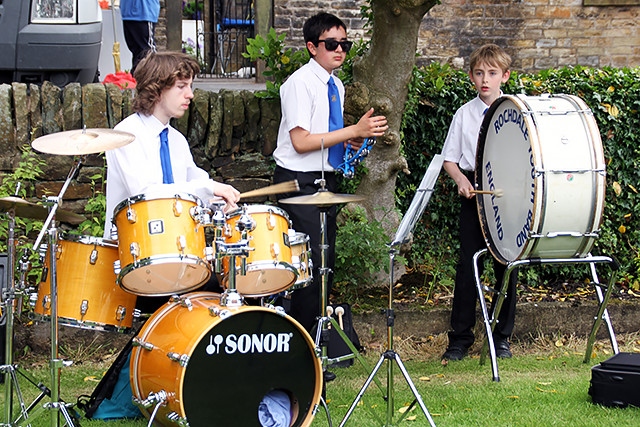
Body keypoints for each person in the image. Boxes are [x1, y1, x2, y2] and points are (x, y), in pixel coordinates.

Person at [272, 12, 388, 337]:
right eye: (332, 43)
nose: (340, 50)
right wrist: (353, 128)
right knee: (306, 267)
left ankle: (316, 345)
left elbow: (326, 135)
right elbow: (300, 141)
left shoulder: (335, 84)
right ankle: (300, 344)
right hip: (298, 180)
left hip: (325, 180)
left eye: (345, 44)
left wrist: (353, 138)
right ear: (312, 47)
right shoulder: (299, 84)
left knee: (325, 264)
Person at [104, 51, 240, 306]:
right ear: (157, 89)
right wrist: (207, 187)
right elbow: (146, 193)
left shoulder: (177, 140)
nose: (190, 94)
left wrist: (219, 201)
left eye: (190, 86)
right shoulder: (125, 135)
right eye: (181, 87)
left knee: (235, 281)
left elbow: (196, 184)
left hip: (180, 255)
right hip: (138, 258)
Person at [440, 44, 518, 361]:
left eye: (492, 73)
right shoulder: (464, 114)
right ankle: (460, 340)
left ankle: (501, 338)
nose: (485, 80)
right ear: (472, 76)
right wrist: (461, 181)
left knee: (506, 266)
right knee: (468, 268)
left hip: (508, 199)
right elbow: (450, 160)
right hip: (474, 196)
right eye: (479, 73)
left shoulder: (516, 111)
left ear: (505, 76)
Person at [119, 0, 160, 74]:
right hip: (127, 12)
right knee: (136, 51)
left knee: (147, 51)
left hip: (144, 12)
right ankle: (137, 77)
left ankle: (156, 77)